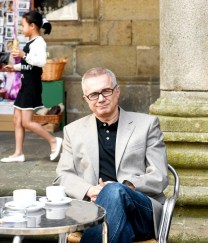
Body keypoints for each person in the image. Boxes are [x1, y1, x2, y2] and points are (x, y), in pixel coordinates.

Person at [54, 67, 169, 243]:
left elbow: (159, 176)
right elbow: (63, 176)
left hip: (139, 210)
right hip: (91, 211)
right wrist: (91, 190)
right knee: (118, 227)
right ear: (86, 99)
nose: (100, 99)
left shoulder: (147, 125)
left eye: (106, 91)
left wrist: (125, 186)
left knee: (114, 191)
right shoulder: (73, 131)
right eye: (93, 94)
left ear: (117, 91)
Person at [1, 11, 62, 163]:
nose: (22, 29)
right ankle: (18, 153)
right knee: (17, 119)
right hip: (25, 85)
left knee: (26, 122)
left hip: (31, 86)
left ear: (32, 26)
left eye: (23, 25)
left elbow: (40, 62)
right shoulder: (31, 43)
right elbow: (28, 65)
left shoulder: (39, 42)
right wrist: (14, 67)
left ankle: (53, 141)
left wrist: (23, 54)